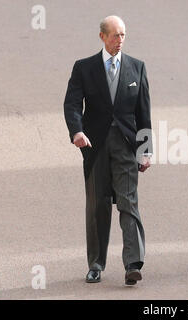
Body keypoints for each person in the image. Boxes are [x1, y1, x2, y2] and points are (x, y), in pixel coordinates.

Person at [64, 15, 152, 286]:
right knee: (98, 205)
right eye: (115, 35)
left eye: (123, 35)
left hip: (126, 146)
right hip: (95, 146)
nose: (120, 40)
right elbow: (72, 104)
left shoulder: (137, 67)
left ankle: (133, 264)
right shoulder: (84, 68)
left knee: (128, 202)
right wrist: (77, 131)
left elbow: (143, 112)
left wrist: (146, 150)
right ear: (102, 36)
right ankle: (96, 264)